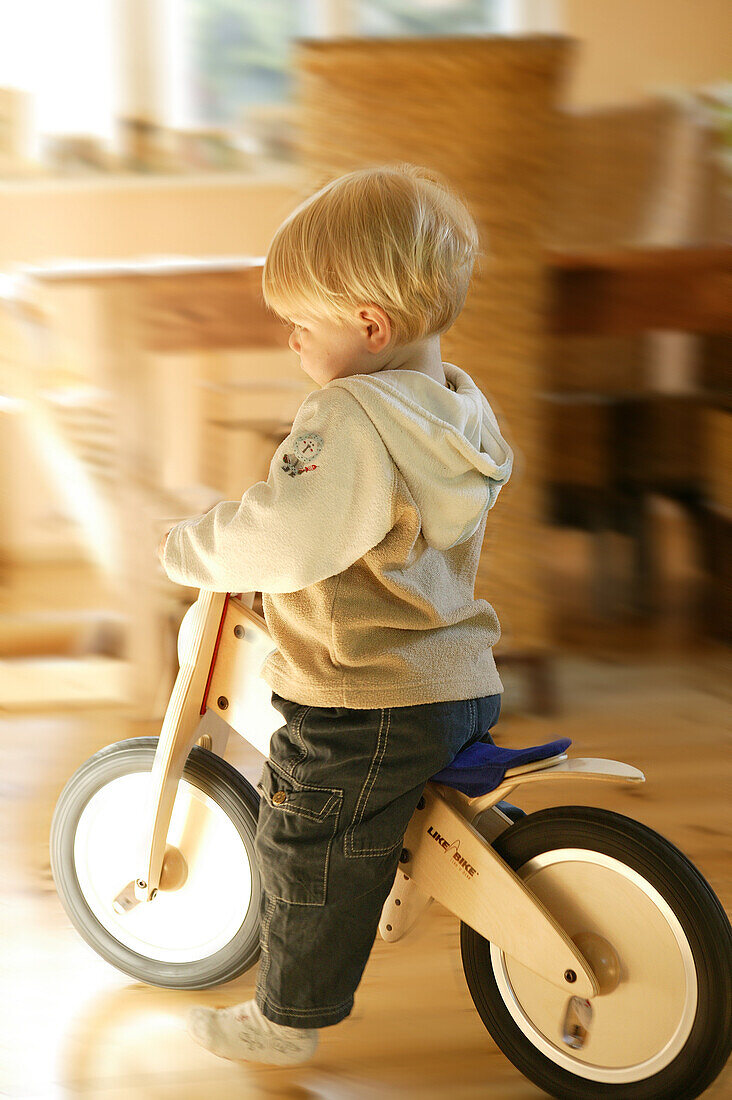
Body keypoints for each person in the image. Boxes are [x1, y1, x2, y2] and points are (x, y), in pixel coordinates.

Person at [158, 163, 515, 1066]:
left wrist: (191, 546)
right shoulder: (458, 409)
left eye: (301, 323)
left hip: (364, 697)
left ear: (369, 325)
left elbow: (287, 534)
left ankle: (287, 1017)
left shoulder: (348, 415)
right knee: (362, 817)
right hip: (459, 682)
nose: (290, 341)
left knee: (304, 838)